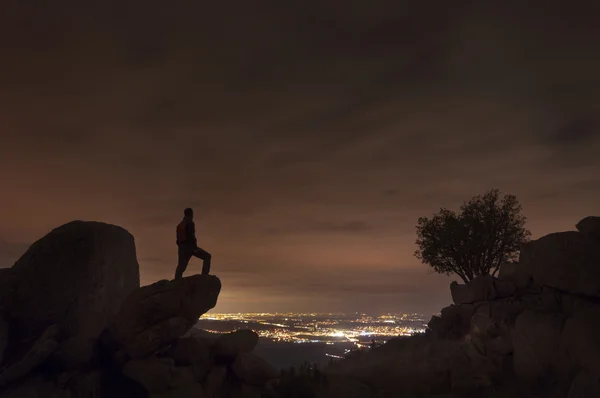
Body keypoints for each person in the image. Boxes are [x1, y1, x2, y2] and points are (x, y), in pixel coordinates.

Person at [175, 208, 212, 279]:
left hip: (182, 248)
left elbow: (177, 240)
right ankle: (204, 276)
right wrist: (194, 248)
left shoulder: (180, 225)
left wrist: (182, 247)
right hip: (190, 247)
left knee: (181, 266)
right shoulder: (190, 223)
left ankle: (176, 281)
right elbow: (191, 235)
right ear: (191, 214)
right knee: (207, 256)